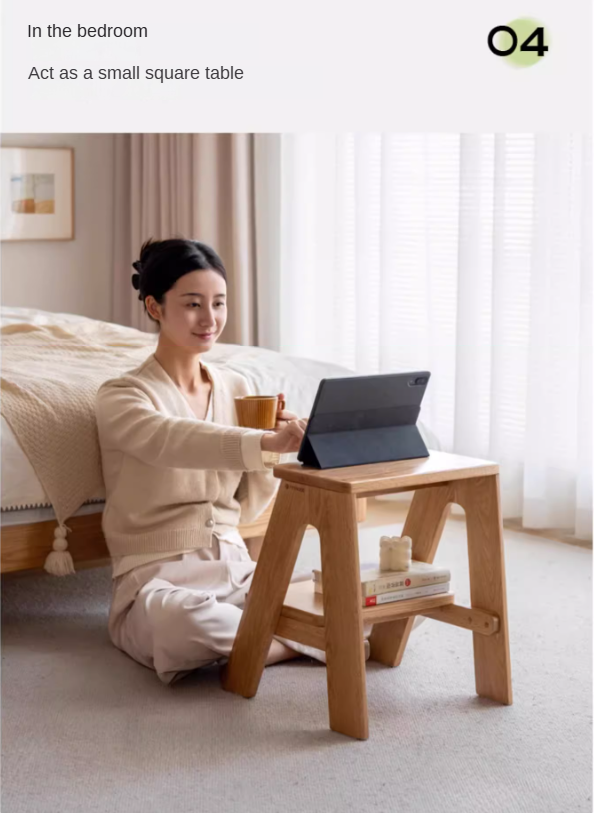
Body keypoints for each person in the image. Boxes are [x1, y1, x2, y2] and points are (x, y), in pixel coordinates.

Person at [95, 238, 312, 685]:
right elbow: (171, 440)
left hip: (238, 574)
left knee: (372, 591)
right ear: (155, 308)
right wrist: (261, 442)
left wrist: (274, 454)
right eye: (193, 304)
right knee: (184, 625)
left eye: (219, 303)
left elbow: (251, 506)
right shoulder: (122, 396)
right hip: (159, 585)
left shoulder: (238, 387)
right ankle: (315, 639)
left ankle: (261, 642)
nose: (209, 319)